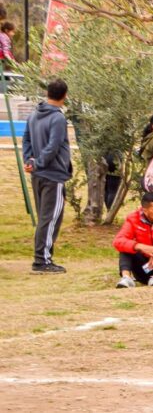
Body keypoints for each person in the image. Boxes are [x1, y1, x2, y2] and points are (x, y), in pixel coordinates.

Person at [23, 79, 72, 274]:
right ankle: (42, 260)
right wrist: (38, 162)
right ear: (65, 95)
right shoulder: (58, 118)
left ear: (47, 93)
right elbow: (54, 145)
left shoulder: (34, 114)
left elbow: (26, 139)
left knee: (44, 217)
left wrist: (29, 160)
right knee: (50, 218)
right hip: (53, 174)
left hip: (38, 174)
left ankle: (42, 257)